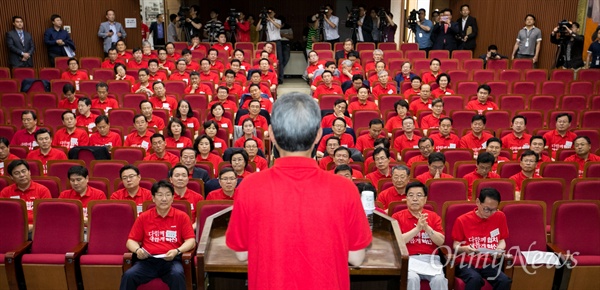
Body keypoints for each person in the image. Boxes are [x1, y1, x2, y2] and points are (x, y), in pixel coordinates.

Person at [226, 92, 372, 289]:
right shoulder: (345, 188)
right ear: (319, 134)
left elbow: (241, 253)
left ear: (272, 134)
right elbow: (356, 257)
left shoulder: (249, 187)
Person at [120, 180, 196, 290]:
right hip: (148, 261)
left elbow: (191, 241)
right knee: (129, 276)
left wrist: (177, 251)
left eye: (167, 195)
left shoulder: (182, 216)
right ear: (153, 198)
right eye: (160, 195)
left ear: (172, 197)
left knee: (177, 275)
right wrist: (137, 251)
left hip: (171, 260)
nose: (164, 199)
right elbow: (130, 241)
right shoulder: (144, 217)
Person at [452, 188, 511, 290]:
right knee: (475, 279)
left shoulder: (500, 216)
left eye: (494, 209)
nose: (489, 213)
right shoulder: (462, 220)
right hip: (466, 263)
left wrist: (499, 250)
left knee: (504, 280)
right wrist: (464, 248)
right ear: (478, 202)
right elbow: (455, 246)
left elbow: (502, 240)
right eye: (486, 209)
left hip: (487, 263)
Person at [392, 181, 447, 290]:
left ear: (425, 199)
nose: (415, 199)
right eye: (411, 195)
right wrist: (417, 229)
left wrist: (427, 228)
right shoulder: (397, 217)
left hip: (431, 260)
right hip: (408, 259)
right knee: (412, 278)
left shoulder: (433, 216)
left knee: (439, 279)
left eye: (419, 195)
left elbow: (440, 242)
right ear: (406, 198)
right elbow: (397, 242)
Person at [1, 160, 51, 228]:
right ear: (11, 177)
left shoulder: (42, 190)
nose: (21, 175)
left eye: (24, 171)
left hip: (37, 228)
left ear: (29, 172)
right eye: (17, 173)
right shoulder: (5, 192)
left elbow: (47, 215)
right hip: (13, 228)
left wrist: (30, 227)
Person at [256, 8, 284, 84]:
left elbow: (279, 26)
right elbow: (257, 29)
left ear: (274, 13)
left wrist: (270, 19)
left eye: (271, 13)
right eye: (268, 13)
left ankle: (280, 78)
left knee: (279, 60)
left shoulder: (277, 20)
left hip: (277, 41)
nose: (270, 14)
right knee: (268, 59)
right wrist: (261, 19)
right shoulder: (265, 22)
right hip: (269, 42)